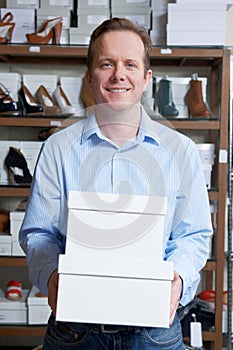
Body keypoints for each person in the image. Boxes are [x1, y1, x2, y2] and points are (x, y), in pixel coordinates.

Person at [19, 17, 212, 350]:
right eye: (107, 64)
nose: (118, 74)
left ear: (146, 78)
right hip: (75, 332)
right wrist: (51, 276)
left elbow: (193, 235)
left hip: (154, 331)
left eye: (130, 64)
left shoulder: (181, 151)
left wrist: (178, 282)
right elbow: (38, 233)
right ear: (90, 77)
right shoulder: (57, 149)